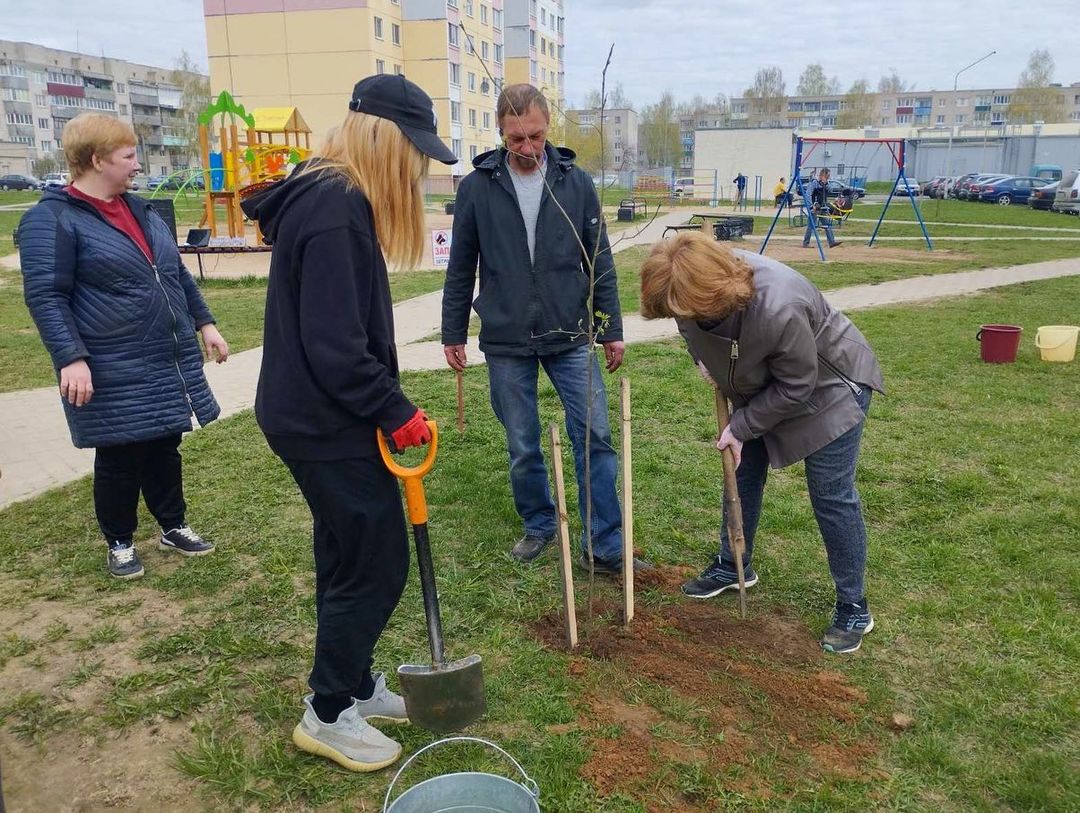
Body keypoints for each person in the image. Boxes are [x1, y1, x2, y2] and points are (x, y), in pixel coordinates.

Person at [241, 74, 456, 772]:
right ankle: (329, 711)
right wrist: (398, 411)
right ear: (384, 139)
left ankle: (355, 684)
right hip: (320, 419)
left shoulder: (330, 197)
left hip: (318, 416)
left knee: (345, 553)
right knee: (375, 560)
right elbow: (336, 349)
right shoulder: (335, 208)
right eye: (415, 153)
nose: (418, 169)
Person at [640, 231, 884, 654]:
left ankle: (853, 605)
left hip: (829, 391)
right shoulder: (687, 290)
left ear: (717, 296)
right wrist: (703, 362)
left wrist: (740, 426)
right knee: (741, 472)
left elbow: (798, 385)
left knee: (831, 495)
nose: (684, 319)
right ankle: (734, 565)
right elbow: (692, 332)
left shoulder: (778, 306)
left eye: (690, 312)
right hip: (760, 389)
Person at [442, 83, 644, 574]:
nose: (527, 148)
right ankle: (539, 523)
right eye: (515, 139)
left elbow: (600, 261)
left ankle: (605, 543)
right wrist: (453, 331)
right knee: (522, 442)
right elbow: (461, 264)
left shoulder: (575, 184)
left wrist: (610, 326)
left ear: (547, 127)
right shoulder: (476, 188)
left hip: (571, 333)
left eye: (534, 136)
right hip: (506, 338)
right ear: (499, 133)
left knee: (594, 434)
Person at [19, 113, 228, 581]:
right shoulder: (51, 220)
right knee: (119, 453)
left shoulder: (140, 210)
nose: (138, 165)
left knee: (164, 444)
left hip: (161, 357)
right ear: (96, 160)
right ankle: (120, 542)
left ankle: (173, 526)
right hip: (109, 362)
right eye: (129, 156)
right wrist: (71, 357)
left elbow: (172, 273)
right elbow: (46, 296)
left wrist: (205, 323)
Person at [802, 168, 842, 248]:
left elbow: (830, 190)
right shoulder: (814, 182)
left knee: (827, 224)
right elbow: (808, 194)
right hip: (815, 207)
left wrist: (826, 183)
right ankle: (806, 243)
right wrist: (811, 206)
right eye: (827, 175)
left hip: (822, 207)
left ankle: (831, 242)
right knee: (811, 225)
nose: (828, 177)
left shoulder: (826, 183)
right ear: (822, 175)